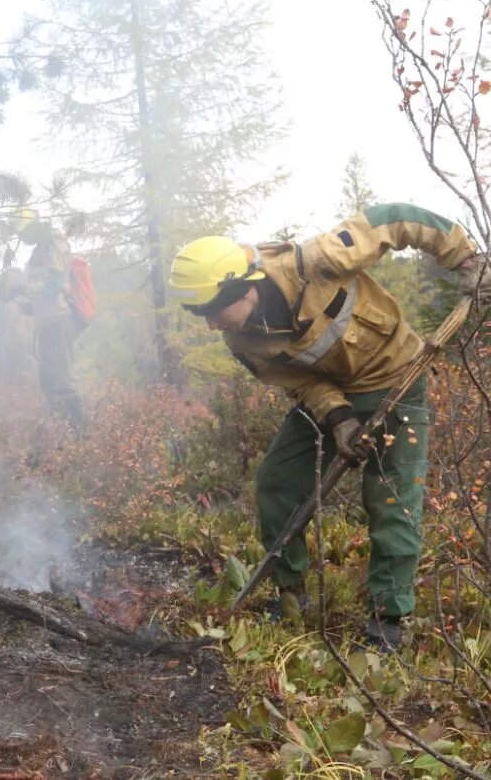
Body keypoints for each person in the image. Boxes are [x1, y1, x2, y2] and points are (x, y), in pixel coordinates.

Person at [168, 204, 489, 650]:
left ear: (243, 289)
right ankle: (290, 594)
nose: (209, 323)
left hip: (399, 376)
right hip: (335, 396)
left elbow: (396, 218)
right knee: (276, 481)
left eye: (211, 309)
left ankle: (388, 620)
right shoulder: (242, 341)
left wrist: (467, 259)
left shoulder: (318, 262)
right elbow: (301, 381)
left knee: (390, 497)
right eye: (195, 313)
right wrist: (339, 418)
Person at [0, 211, 85, 424]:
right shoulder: (41, 249)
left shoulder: (51, 244)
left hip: (59, 320)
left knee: (62, 382)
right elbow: (42, 291)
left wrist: (23, 289)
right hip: (47, 323)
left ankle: (80, 436)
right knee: (48, 381)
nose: (22, 238)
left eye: (23, 232)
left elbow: (55, 282)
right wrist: (22, 301)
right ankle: (60, 433)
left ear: (32, 226)